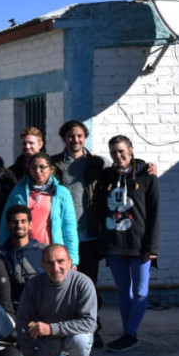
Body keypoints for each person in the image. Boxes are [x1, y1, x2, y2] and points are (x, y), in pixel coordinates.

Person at [99, 135, 160, 353]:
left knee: (141, 291)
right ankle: (128, 333)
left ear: (131, 150)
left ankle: (130, 334)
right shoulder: (106, 176)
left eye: (122, 151)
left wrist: (152, 247)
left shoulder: (146, 175)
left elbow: (154, 213)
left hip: (140, 245)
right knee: (124, 291)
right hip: (115, 243)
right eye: (114, 152)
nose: (118, 155)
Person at [16, 244, 97, 356]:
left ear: (69, 262)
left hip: (72, 336)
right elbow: (22, 321)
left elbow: (89, 323)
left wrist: (52, 328)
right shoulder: (34, 285)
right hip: (47, 341)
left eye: (61, 261)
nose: (56, 267)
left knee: (81, 340)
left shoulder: (83, 283)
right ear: (42, 264)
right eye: (50, 262)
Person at [51, 121, 107, 288]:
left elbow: (121, 169)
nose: (75, 139)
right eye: (71, 136)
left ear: (85, 138)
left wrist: (144, 166)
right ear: (64, 138)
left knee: (89, 281)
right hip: (63, 233)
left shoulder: (98, 163)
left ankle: (91, 314)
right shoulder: (53, 164)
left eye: (79, 136)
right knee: (65, 281)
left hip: (89, 232)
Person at [0, 152, 79, 265]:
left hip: (52, 252)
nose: (37, 171)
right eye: (34, 167)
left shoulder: (62, 193)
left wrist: (73, 259)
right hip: (24, 251)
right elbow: (5, 221)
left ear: (51, 169)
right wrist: (3, 250)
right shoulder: (18, 190)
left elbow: (69, 228)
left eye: (42, 167)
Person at [0, 205, 48, 307]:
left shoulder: (44, 251)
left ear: (30, 225)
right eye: (15, 222)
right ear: (8, 225)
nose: (19, 225)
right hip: (12, 308)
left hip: (42, 306)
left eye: (23, 221)